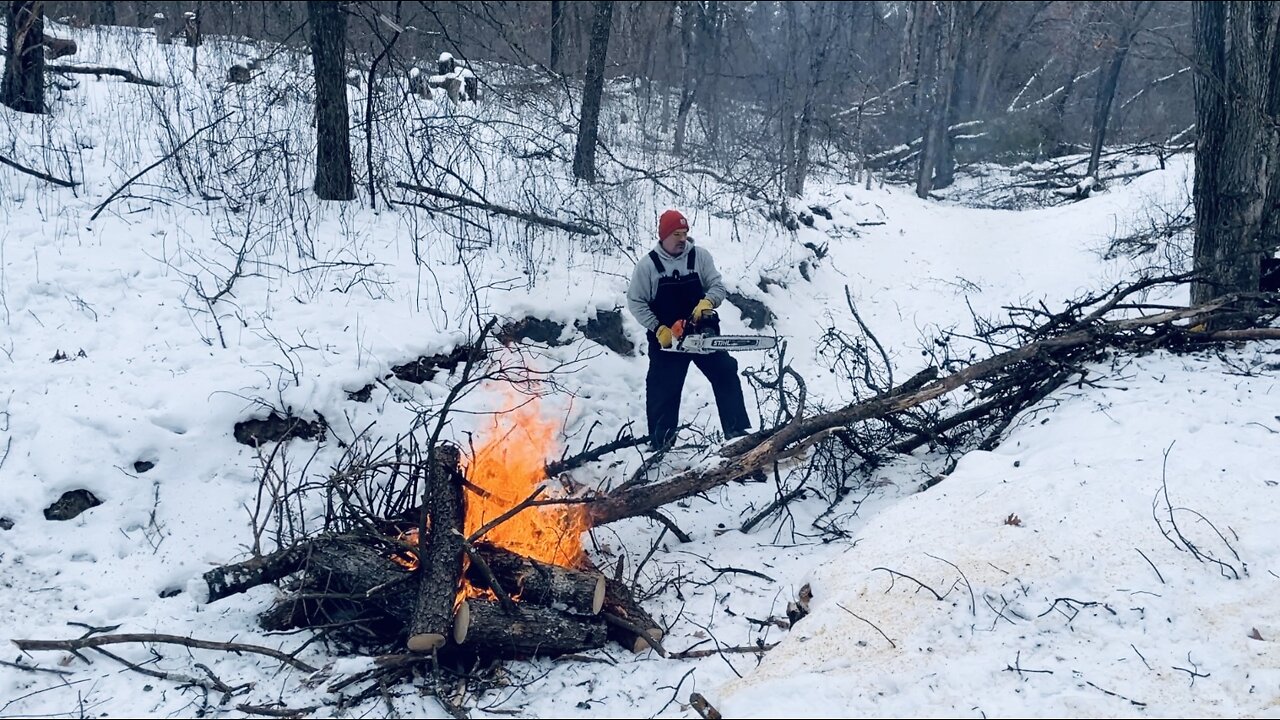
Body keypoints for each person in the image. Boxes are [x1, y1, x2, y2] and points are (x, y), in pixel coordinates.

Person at [627, 209, 751, 450]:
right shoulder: (648, 266)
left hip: (701, 333)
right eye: (676, 234)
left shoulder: (700, 257)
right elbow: (636, 302)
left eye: (685, 233)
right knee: (663, 386)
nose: (682, 239)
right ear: (664, 235)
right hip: (667, 338)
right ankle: (661, 441)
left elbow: (717, 286)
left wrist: (708, 302)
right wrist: (657, 327)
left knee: (725, 370)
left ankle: (736, 430)